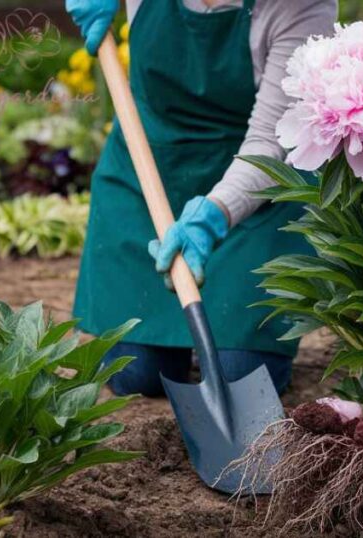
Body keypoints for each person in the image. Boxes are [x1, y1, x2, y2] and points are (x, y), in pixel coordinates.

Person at [66, 0, 337, 396]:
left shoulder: (301, 8)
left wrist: (214, 214)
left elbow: (269, 141)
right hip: (148, 167)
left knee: (240, 377)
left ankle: (231, 337)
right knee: (137, 374)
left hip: (253, 190)